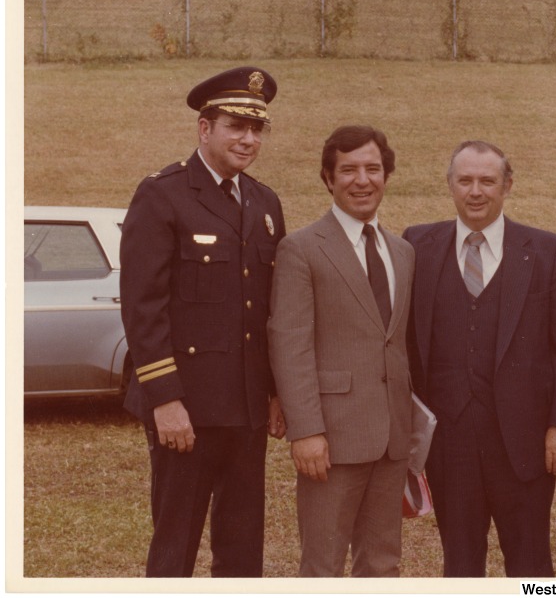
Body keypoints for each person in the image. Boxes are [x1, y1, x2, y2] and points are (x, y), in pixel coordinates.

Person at [120, 66, 287, 577]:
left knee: (242, 549)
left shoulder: (264, 203)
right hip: (186, 410)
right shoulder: (162, 194)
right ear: (204, 128)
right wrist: (165, 400)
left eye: (257, 128)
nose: (248, 138)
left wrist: (276, 392)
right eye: (236, 125)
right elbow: (142, 308)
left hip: (245, 409)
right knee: (176, 546)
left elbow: (269, 311)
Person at [403, 140, 556, 577]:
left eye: (488, 181)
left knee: (531, 563)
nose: (476, 191)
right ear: (450, 185)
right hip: (450, 444)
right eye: (465, 180)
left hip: (523, 443)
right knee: (460, 564)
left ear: (508, 186)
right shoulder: (417, 245)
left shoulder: (546, 250)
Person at [267, 125, 414, 577]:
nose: (362, 180)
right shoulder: (301, 249)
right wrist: (306, 431)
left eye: (373, 169)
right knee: (323, 564)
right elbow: (290, 345)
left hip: (391, 439)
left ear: (386, 176)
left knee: (383, 561)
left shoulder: (403, 251)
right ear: (328, 179)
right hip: (331, 439)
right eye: (348, 170)